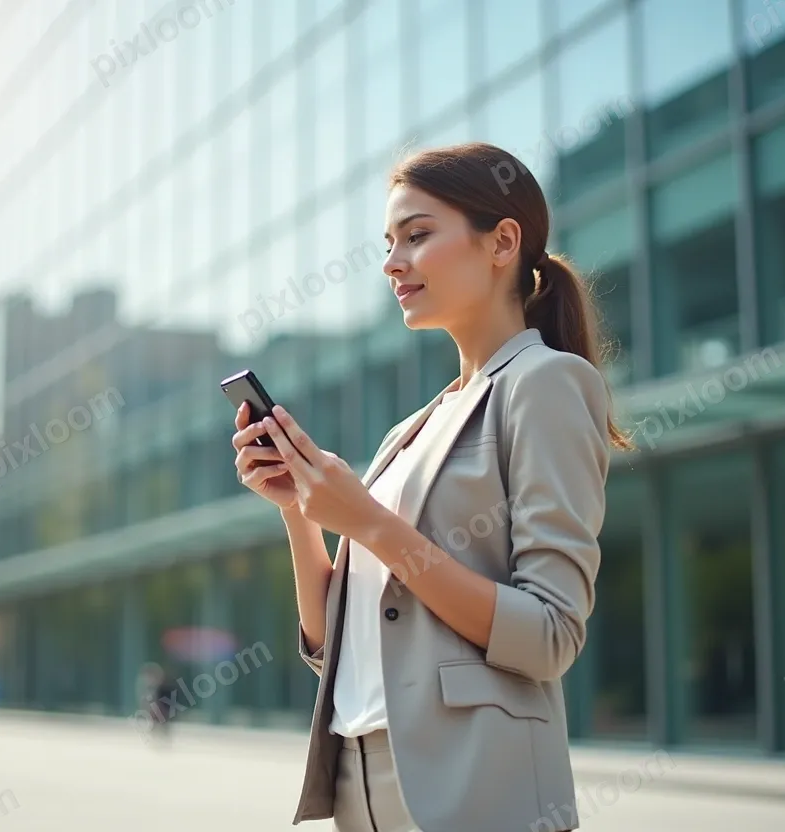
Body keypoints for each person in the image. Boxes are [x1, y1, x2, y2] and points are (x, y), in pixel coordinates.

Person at [230, 142, 630, 832]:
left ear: (502, 241)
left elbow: (550, 634)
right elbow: (334, 644)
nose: (391, 263)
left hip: (476, 786)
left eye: (417, 236)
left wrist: (370, 523)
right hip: (363, 782)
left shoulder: (546, 384)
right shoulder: (409, 431)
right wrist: (299, 511)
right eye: (389, 242)